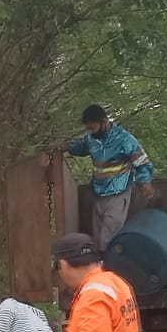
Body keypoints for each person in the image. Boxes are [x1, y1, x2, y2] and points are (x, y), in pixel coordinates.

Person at [66, 104, 155, 250]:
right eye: (88, 129)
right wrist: (66, 147)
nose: (90, 132)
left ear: (104, 121)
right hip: (98, 193)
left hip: (118, 193)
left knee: (108, 238)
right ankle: (102, 267)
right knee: (98, 237)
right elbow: (81, 148)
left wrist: (145, 182)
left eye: (92, 128)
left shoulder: (124, 139)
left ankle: (109, 269)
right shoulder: (91, 139)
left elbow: (142, 162)